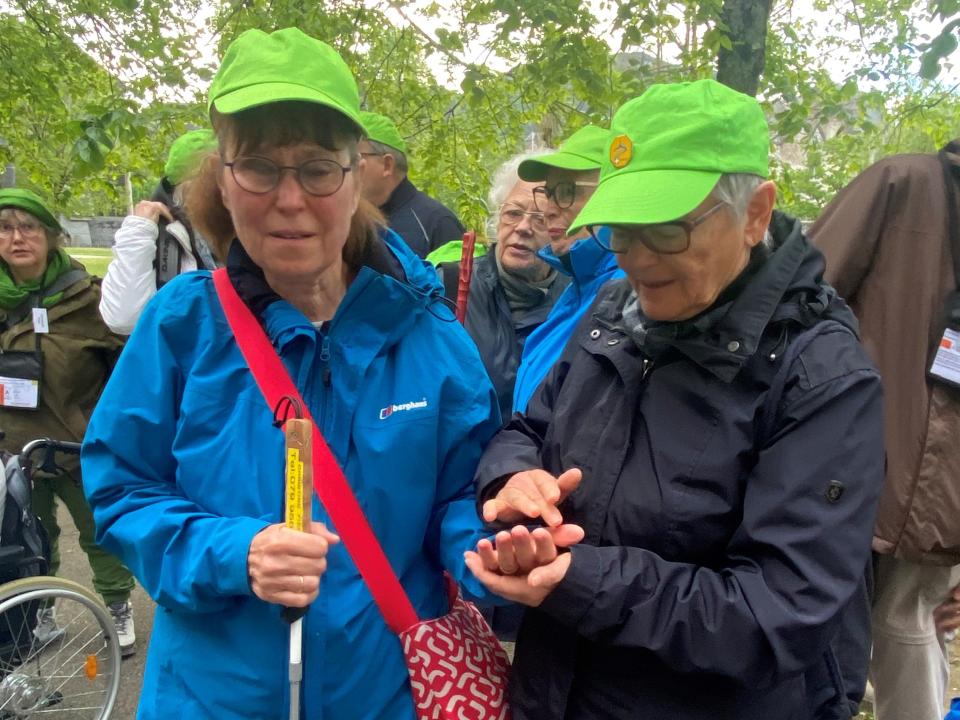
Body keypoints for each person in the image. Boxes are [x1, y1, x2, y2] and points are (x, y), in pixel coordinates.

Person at [80, 28, 573, 719]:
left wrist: (496, 552)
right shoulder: (180, 327)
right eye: (257, 166)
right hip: (212, 699)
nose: (289, 199)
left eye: (316, 168)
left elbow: (461, 496)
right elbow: (122, 489)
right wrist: (234, 551)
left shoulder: (427, 335)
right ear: (222, 179)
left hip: (387, 694)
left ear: (356, 176)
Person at [464, 79, 886, 720]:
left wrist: (579, 580)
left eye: (663, 229)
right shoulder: (613, 313)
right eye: (620, 230)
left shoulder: (820, 377)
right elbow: (528, 427)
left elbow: (778, 614)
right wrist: (514, 477)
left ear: (756, 213)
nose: (634, 258)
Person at [809, 141, 960, 720]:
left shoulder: (902, 182)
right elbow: (800, 298)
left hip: (907, 489)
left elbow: (797, 295)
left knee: (904, 624)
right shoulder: (902, 185)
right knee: (898, 628)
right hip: (861, 471)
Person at [0, 188, 136, 655]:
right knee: (29, 537)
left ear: (52, 236)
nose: (17, 237)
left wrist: (114, 429)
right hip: (13, 447)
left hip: (79, 444)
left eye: (29, 227)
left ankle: (117, 606)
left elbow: (130, 370)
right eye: (5, 228)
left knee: (100, 533)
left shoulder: (89, 298)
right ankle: (40, 610)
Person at [437, 154, 570, 423]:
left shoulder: (576, 300)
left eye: (540, 219)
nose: (522, 228)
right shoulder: (448, 286)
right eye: (513, 214)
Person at [512, 125, 625, 413]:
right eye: (548, 193)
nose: (548, 208)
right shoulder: (577, 289)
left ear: (612, 194)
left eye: (566, 192)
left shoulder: (630, 294)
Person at [100, 128, 219, 334]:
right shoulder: (157, 233)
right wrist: (138, 230)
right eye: (208, 184)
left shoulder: (253, 229)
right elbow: (123, 319)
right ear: (180, 190)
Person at [357, 110, 464, 258]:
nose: (346, 165)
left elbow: (458, 279)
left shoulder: (438, 223)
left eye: (355, 157)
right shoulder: (348, 218)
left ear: (387, 165)